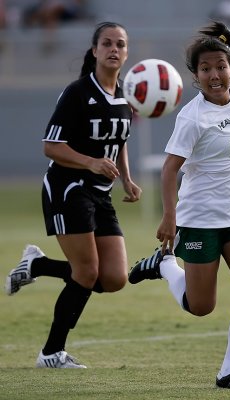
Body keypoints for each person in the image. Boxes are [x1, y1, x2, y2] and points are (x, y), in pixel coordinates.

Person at [128, 21, 230, 389]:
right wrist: (169, 219)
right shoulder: (192, 117)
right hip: (199, 216)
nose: (214, 74)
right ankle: (164, 265)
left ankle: (229, 371)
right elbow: (170, 170)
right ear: (196, 75)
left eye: (220, 66)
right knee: (200, 307)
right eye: (205, 68)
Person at [5, 21, 142, 368]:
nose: (114, 49)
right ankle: (51, 353)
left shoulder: (126, 93)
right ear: (94, 50)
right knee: (86, 272)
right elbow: (51, 146)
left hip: (101, 194)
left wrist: (126, 178)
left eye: (120, 45)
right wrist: (91, 163)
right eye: (107, 43)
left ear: (127, 53)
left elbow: (118, 141)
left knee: (113, 278)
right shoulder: (77, 92)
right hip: (68, 188)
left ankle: (37, 264)